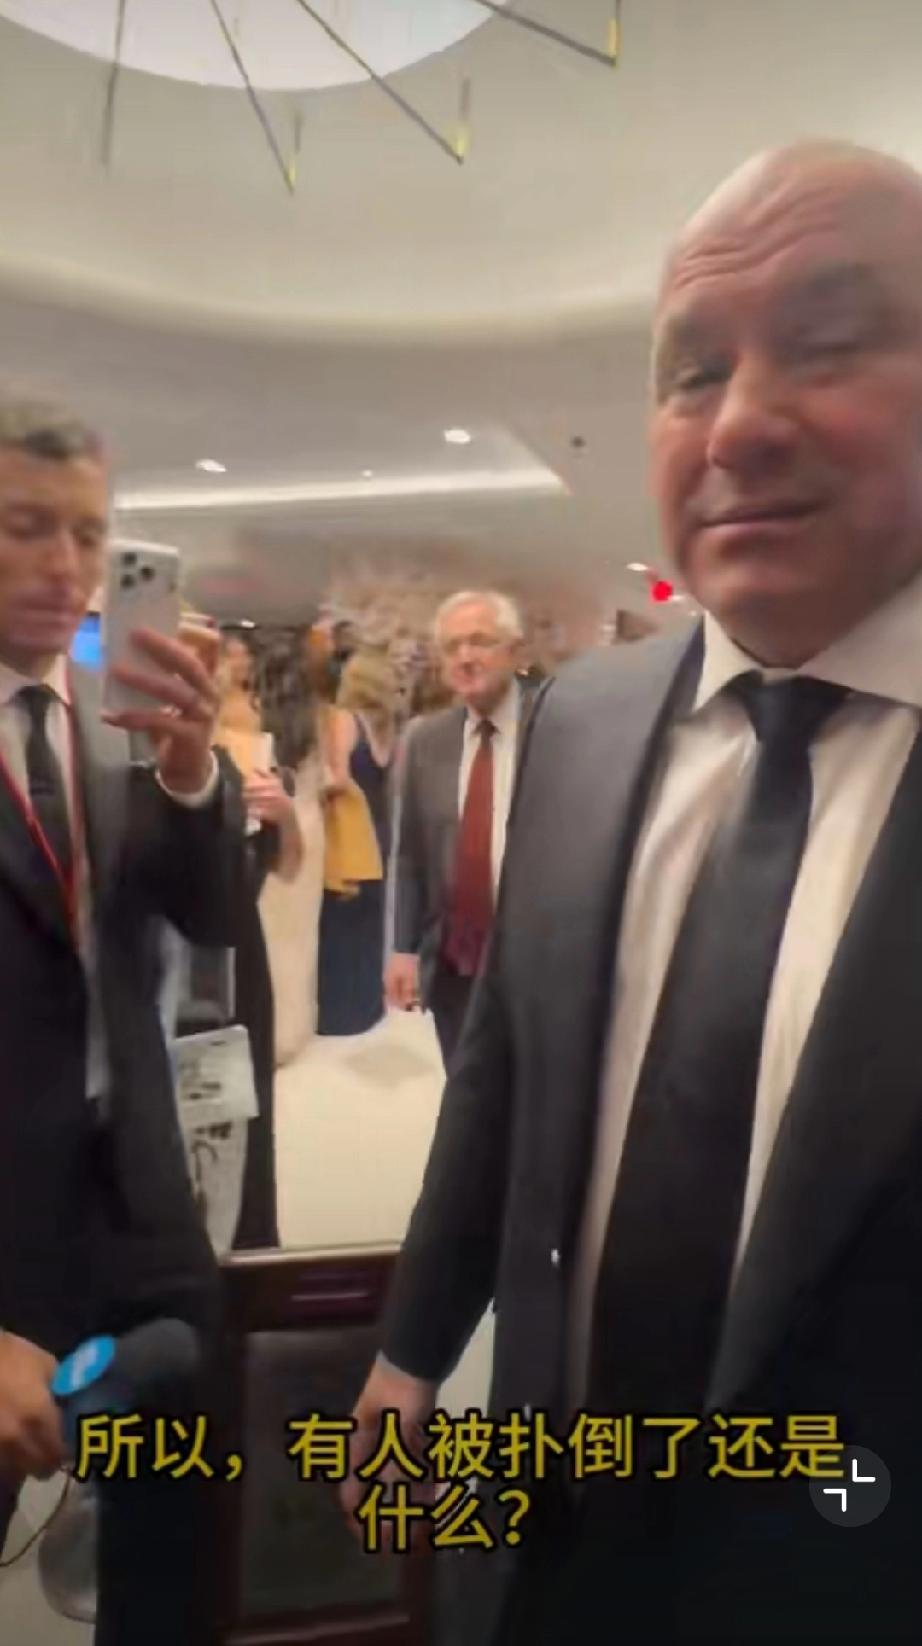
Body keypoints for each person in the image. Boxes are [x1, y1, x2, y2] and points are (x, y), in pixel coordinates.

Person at [345, 142, 922, 1644]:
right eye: (691, 371)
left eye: (827, 342)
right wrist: (411, 1350)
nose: (738, 423)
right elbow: (507, 1071)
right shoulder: (585, 721)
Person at [0, 397, 244, 1642]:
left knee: (174, 1551)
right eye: (25, 527)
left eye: (88, 535)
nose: (66, 566)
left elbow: (212, 916)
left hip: (142, 1210)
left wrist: (192, 770)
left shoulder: (115, 726)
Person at [385, 590, 539, 1069]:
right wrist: (403, 949)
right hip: (456, 962)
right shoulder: (425, 741)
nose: (465, 657)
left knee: (535, 1090)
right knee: (465, 1087)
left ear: (515, 651)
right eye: (452, 647)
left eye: (480, 641)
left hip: (537, 962)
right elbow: (410, 853)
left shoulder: (556, 728)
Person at [317, 649, 398, 1035]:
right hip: (378, 832)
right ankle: (366, 1009)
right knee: (368, 925)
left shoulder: (343, 719)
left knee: (338, 923)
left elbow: (335, 778)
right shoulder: (386, 729)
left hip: (348, 833)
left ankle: (337, 1014)